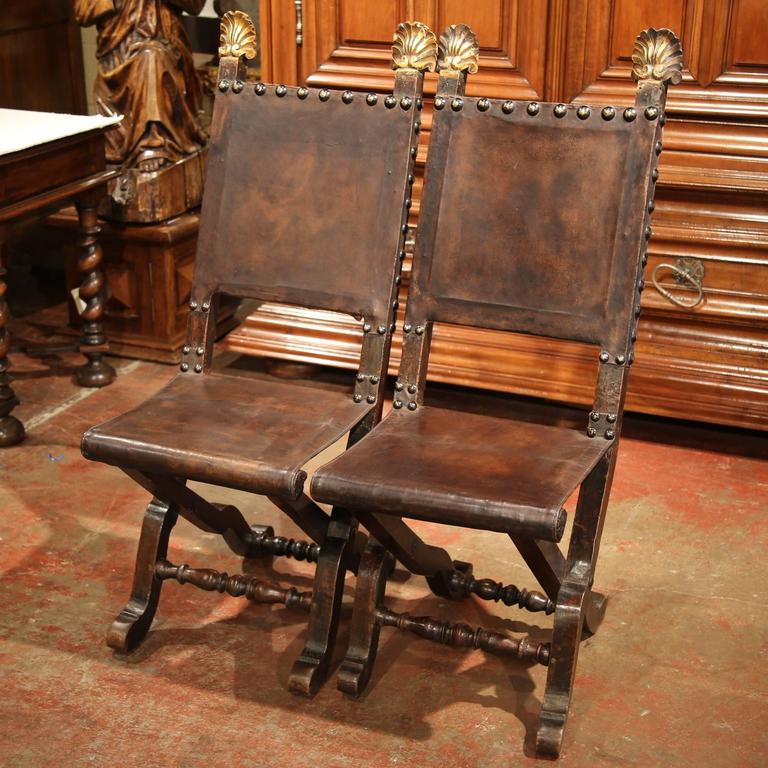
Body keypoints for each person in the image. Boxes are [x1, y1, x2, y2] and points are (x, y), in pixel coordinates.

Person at [75, 0, 207, 172]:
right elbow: (83, 13)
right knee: (146, 59)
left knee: (151, 58)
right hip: (117, 47)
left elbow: (195, 5)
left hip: (165, 44)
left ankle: (152, 143)